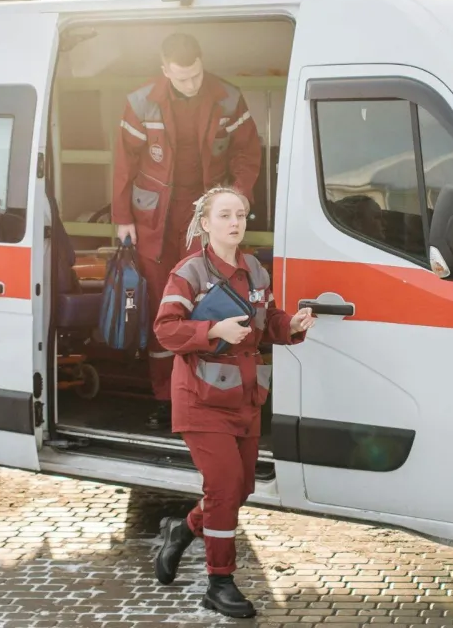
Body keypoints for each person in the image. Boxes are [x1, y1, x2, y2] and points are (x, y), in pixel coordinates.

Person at [150, 185, 316, 618]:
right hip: (200, 398)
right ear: (205, 223)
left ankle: (183, 530)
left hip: (245, 395)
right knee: (224, 487)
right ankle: (219, 581)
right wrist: (212, 331)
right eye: (224, 215)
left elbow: (267, 321)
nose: (235, 222)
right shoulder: (188, 272)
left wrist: (292, 324)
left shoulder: (255, 270)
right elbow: (165, 330)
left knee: (240, 489)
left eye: (240, 214)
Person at [110, 32, 262, 427]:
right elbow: (124, 163)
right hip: (154, 221)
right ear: (165, 70)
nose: (192, 84)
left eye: (196, 74)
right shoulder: (140, 101)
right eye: (182, 78)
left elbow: (247, 153)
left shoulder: (227, 98)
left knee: (206, 302)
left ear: (202, 62)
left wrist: (237, 200)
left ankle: (206, 394)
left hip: (207, 216)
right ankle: (166, 397)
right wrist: (122, 217)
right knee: (165, 305)